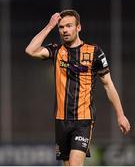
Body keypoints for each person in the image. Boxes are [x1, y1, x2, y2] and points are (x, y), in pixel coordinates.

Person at [25, 9, 131, 166]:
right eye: (61, 27)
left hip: (83, 120)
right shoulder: (56, 51)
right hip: (61, 120)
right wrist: (49, 26)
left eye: (69, 26)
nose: (65, 30)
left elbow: (108, 85)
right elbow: (30, 50)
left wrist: (120, 115)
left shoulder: (94, 52)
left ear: (78, 27)